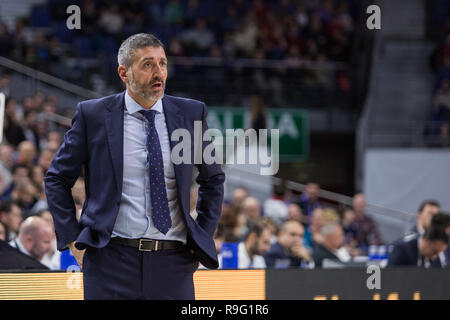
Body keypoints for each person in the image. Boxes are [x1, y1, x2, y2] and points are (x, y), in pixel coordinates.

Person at [44, 33, 225, 300]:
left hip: (173, 261)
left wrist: (202, 237)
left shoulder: (190, 114)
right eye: (148, 64)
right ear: (124, 72)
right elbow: (57, 179)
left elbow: (213, 179)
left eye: (162, 64)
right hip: (109, 260)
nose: (159, 73)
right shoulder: (93, 115)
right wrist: (72, 240)